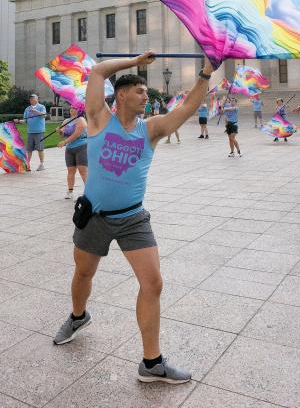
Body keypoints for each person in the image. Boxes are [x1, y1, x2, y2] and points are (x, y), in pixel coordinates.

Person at [53, 50, 214, 384]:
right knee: (83, 273)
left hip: (133, 219)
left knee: (153, 282)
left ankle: (151, 362)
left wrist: (205, 75)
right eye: (140, 91)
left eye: (147, 92)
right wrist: (134, 61)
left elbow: (186, 108)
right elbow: (97, 71)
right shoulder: (98, 118)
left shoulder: (150, 129)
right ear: (122, 95)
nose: (146, 96)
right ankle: (78, 316)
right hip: (94, 216)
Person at [57, 106, 88, 199]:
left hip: (81, 147)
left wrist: (64, 142)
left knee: (82, 171)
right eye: (70, 108)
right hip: (70, 149)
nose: (71, 109)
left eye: (74, 108)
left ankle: (89, 192)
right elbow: (63, 135)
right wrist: (60, 132)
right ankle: (70, 191)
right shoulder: (66, 121)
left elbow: (76, 134)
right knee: (70, 171)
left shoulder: (81, 120)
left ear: (79, 110)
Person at [16, 94, 47, 171]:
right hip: (30, 131)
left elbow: (44, 115)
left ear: (37, 99)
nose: (31, 100)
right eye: (30, 99)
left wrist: (36, 111)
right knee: (29, 149)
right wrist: (19, 121)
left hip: (39, 131)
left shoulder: (41, 107)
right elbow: (25, 120)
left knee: (40, 148)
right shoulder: (27, 109)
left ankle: (42, 164)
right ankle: (27, 165)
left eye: (33, 98)